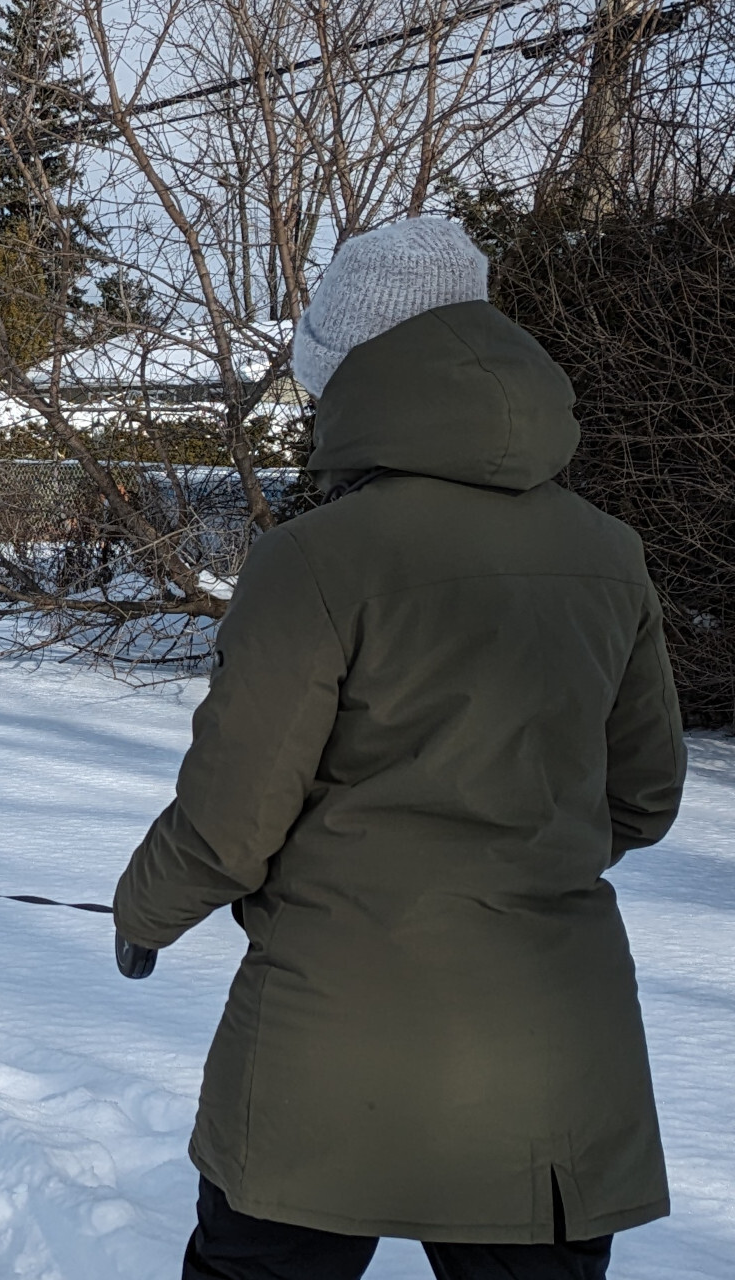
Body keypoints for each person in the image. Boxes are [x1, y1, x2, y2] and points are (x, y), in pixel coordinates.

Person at [111, 217, 687, 1280]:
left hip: (330, 1054)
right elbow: (646, 795)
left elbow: (232, 827)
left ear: (355, 374)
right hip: (552, 1058)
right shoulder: (612, 555)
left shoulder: (316, 561)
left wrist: (143, 910)